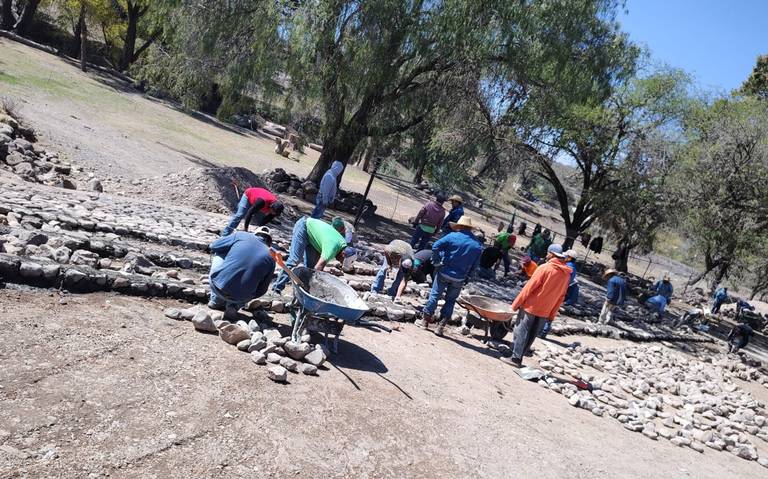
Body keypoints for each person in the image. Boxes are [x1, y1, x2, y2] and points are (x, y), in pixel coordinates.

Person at [500, 244, 571, 367]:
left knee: (521, 330)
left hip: (531, 306)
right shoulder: (566, 274)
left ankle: (515, 358)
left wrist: (515, 304)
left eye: (548, 253)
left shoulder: (545, 268)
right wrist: (552, 314)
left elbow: (529, 288)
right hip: (546, 309)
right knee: (532, 334)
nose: (546, 255)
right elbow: (561, 296)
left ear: (552, 254)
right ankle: (518, 355)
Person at [416, 216, 482, 335]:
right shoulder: (477, 245)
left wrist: (436, 261)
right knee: (450, 300)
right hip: (459, 277)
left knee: (435, 295)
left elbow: (435, 246)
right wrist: (468, 277)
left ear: (460, 226)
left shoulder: (452, 236)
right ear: (470, 228)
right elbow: (475, 265)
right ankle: (440, 326)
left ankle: (425, 321)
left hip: (444, 271)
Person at [208, 227, 276, 315]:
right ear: (269, 243)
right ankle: (234, 306)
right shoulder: (272, 257)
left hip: (217, 287)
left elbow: (214, 246)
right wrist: (249, 295)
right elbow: (262, 289)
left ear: (255, 234)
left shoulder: (241, 235)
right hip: (242, 297)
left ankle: (215, 300)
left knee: (219, 251)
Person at [271, 217, 347, 293]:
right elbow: (318, 267)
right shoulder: (332, 248)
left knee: (310, 268)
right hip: (304, 227)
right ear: (343, 254)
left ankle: (303, 292)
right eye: (342, 261)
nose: (341, 263)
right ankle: (276, 288)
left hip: (314, 238)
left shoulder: (343, 244)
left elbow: (315, 268)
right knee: (294, 260)